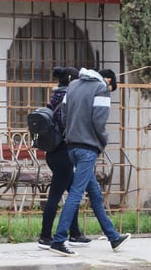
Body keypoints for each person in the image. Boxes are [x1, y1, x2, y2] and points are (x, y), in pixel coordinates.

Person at [49, 68, 130, 257]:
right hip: (88, 148)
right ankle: (59, 240)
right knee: (76, 193)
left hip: (71, 147)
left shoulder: (73, 85)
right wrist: (102, 141)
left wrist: (71, 135)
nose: (109, 89)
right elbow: (99, 120)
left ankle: (113, 237)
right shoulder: (100, 88)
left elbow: (65, 115)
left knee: (94, 195)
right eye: (111, 86)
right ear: (107, 80)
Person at [37, 67, 92, 249]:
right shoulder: (67, 98)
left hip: (53, 152)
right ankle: (45, 237)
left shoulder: (54, 97)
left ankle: (75, 234)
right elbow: (68, 124)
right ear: (71, 81)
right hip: (62, 152)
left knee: (73, 193)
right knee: (55, 195)